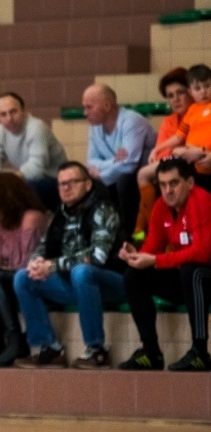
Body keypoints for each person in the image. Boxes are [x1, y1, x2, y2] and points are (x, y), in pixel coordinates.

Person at [12, 161, 127, 369]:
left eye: (72, 182)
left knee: (82, 272)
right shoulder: (60, 213)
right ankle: (50, 348)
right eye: (61, 184)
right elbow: (43, 247)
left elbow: (98, 256)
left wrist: (53, 265)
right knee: (23, 278)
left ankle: (96, 350)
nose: (65, 188)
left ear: (88, 185)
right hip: (76, 284)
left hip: (112, 282)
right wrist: (35, 263)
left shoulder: (103, 209)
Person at [117, 157, 211, 371]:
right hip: (186, 280)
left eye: (174, 183)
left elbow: (203, 253)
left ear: (190, 183)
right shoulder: (161, 206)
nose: (168, 190)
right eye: (162, 184)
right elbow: (152, 246)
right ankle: (151, 352)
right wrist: (135, 255)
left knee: (192, 271)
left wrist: (156, 260)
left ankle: (200, 352)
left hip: (205, 275)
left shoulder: (202, 201)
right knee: (134, 275)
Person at [0, 173, 49, 367]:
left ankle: (16, 339)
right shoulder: (2, 221)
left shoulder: (31, 217)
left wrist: (6, 264)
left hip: (35, 277)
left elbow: (24, 262)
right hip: (10, 276)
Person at [82, 83, 157, 238]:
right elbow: (91, 162)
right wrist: (114, 162)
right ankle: (98, 235)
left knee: (123, 181)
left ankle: (129, 235)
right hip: (118, 173)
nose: (85, 113)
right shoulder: (95, 126)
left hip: (144, 174)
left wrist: (102, 173)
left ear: (107, 105)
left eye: (89, 107)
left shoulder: (132, 121)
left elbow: (129, 165)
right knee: (84, 181)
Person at [0, 92, 67, 210]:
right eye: (3, 114)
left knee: (22, 190)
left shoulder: (36, 128)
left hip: (52, 180)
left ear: (23, 110)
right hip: (25, 180)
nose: (9, 118)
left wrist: (9, 183)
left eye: (13, 112)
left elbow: (36, 169)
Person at [133, 67, 192, 240]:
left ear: (190, 92)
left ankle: (144, 229)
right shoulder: (169, 121)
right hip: (170, 163)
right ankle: (152, 230)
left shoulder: (199, 114)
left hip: (193, 163)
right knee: (148, 175)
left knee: (145, 173)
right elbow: (161, 156)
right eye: (170, 95)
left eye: (180, 92)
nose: (176, 99)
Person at [146, 64, 211, 190]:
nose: (203, 91)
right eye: (198, 88)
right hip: (195, 165)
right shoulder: (193, 111)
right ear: (191, 91)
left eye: (207, 86)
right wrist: (157, 149)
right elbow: (178, 137)